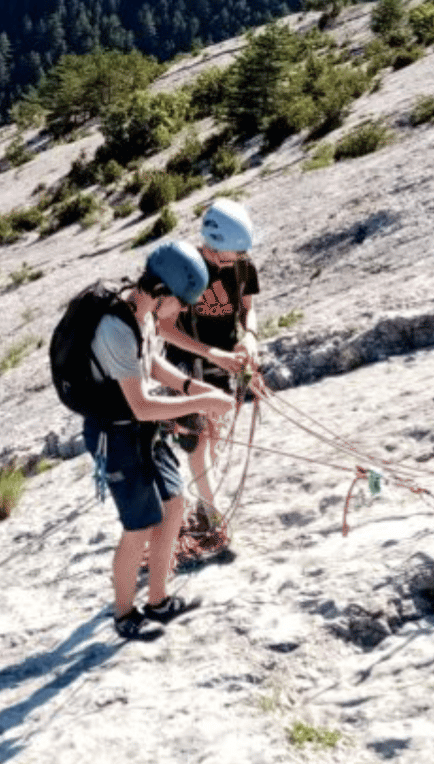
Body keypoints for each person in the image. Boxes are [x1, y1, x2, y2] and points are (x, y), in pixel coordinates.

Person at [83, 239, 237, 640]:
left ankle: (158, 598)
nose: (183, 311)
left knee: (174, 504)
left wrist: (188, 388)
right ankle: (123, 614)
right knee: (139, 525)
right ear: (164, 293)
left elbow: (149, 360)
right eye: (182, 303)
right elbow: (139, 404)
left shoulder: (144, 313)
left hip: (140, 428)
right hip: (115, 435)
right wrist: (202, 399)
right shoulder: (115, 328)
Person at [161, 197, 262, 559]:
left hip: (224, 361)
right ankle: (212, 517)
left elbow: (248, 309)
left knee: (216, 434)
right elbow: (165, 328)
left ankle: (206, 505)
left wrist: (249, 336)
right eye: (231, 254)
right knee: (199, 440)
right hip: (187, 365)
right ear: (215, 246)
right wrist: (209, 353)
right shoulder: (185, 271)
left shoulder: (242, 264)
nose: (236, 260)